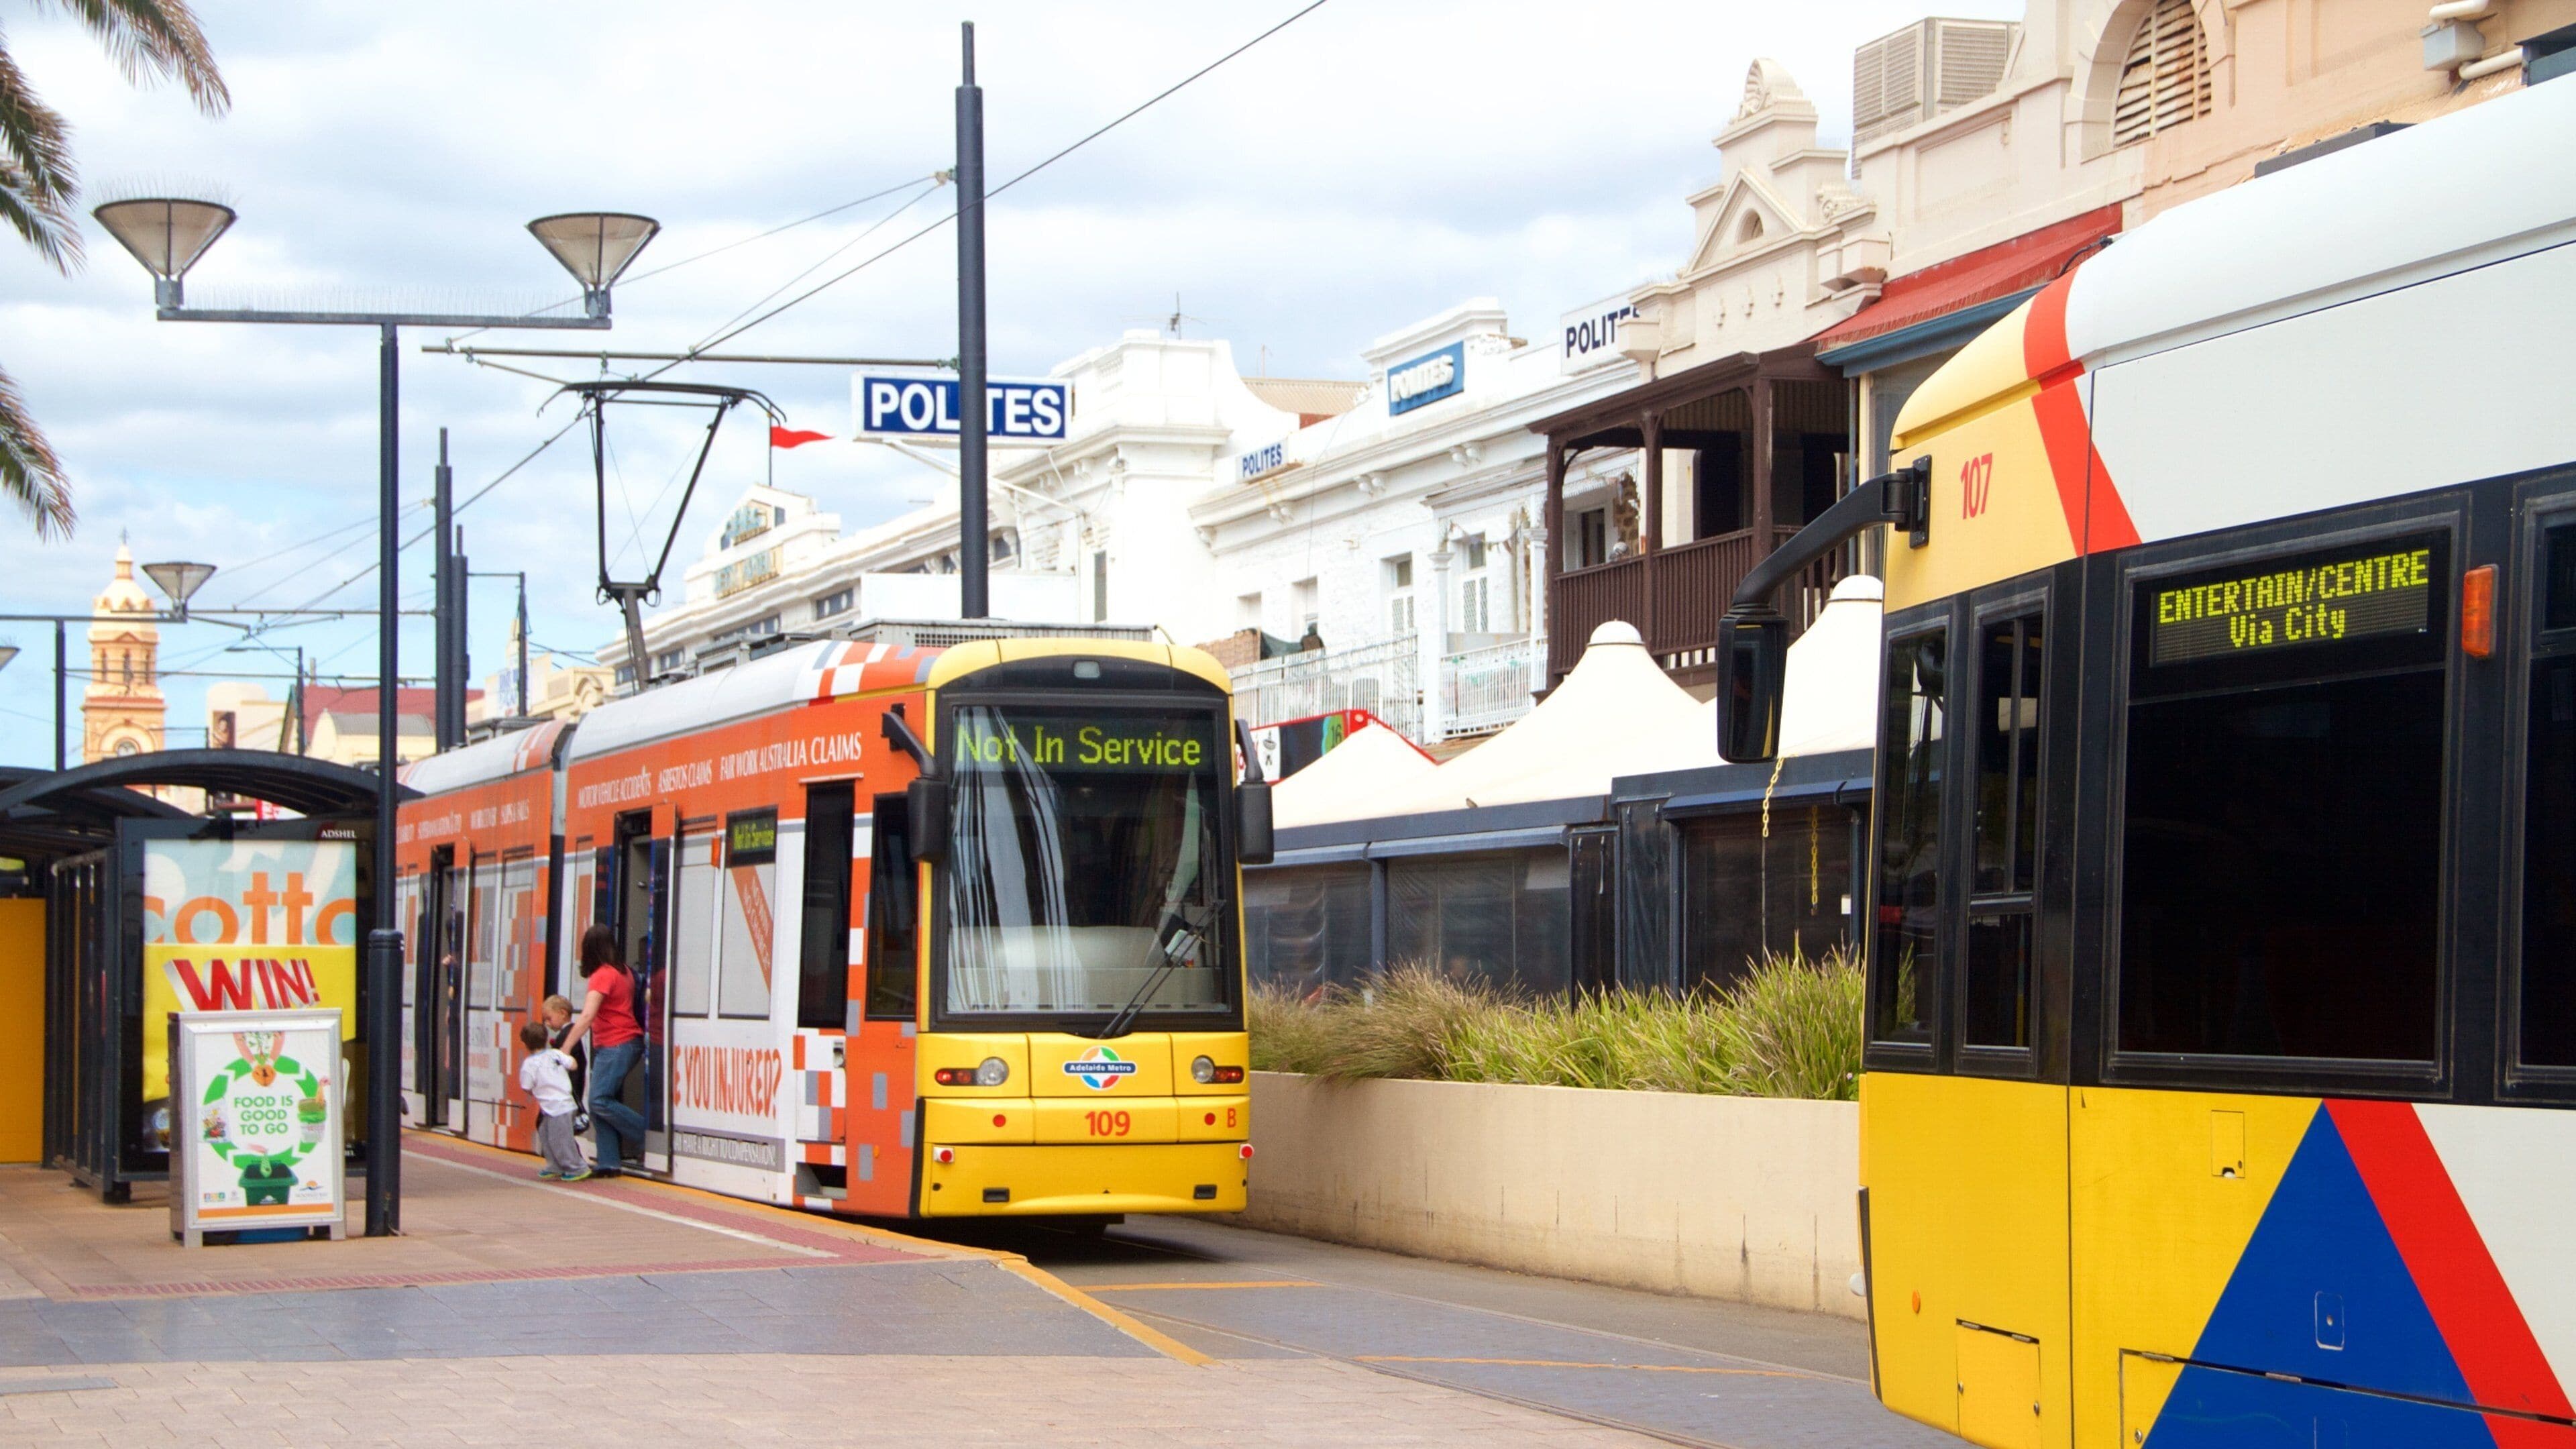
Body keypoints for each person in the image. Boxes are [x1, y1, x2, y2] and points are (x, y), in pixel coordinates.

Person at [559, 924, 647, 1176]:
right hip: (621, 1043)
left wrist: (566, 1047)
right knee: (599, 1103)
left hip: (616, 1043)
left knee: (599, 1100)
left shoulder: (602, 975)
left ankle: (644, 1136)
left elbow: (588, 1015)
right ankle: (609, 1162)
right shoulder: (625, 972)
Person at [515, 1020, 589, 1182]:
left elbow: (526, 1086)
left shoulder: (529, 1065)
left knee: (561, 1139)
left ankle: (577, 1167)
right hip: (560, 1105)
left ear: (525, 1044)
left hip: (558, 1107)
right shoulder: (555, 1054)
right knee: (545, 1132)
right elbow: (574, 1065)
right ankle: (554, 1165)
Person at [541, 993, 588, 1128]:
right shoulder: (571, 1033)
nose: (547, 1023)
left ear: (562, 1013)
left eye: (549, 1018)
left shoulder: (565, 1036)